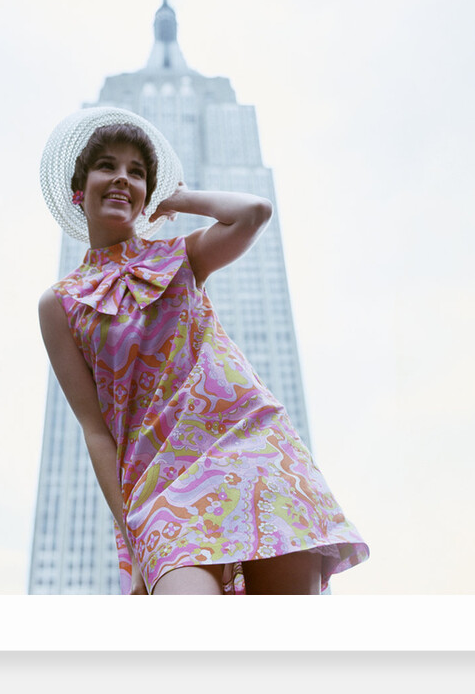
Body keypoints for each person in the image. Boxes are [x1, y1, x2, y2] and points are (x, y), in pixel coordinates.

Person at [39, 106, 369, 595]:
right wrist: (131, 530)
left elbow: (253, 212)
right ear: (77, 189)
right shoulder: (61, 304)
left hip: (251, 451)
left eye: (137, 173)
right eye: (107, 166)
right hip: (160, 485)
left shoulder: (181, 257)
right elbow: (95, 430)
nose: (122, 179)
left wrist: (178, 197)